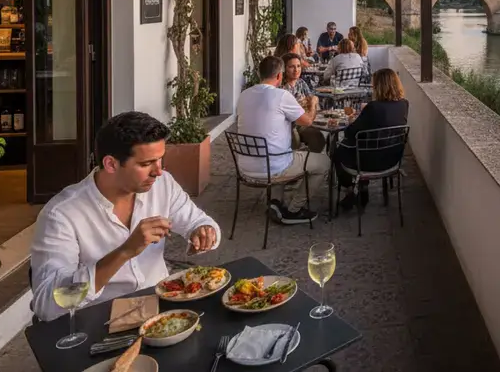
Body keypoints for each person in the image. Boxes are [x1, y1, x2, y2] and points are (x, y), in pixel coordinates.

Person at [30, 112, 221, 321]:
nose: (158, 171)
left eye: (160, 160)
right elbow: (46, 305)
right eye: (146, 164)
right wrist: (125, 252)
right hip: (99, 321)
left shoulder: (162, 184)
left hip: (161, 310)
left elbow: (197, 220)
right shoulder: (61, 215)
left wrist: (203, 231)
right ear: (111, 164)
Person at [236, 56, 328, 224]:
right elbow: (307, 120)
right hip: (272, 168)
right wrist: (314, 103)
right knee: (324, 162)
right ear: (280, 76)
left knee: (282, 152)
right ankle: (294, 210)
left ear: (259, 73)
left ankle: (275, 202)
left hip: (245, 167)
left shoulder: (244, 95)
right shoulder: (281, 95)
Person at [335, 69, 409, 210]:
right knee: (365, 144)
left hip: (368, 162)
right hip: (392, 158)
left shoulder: (373, 107)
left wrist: (353, 119)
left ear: (380, 86)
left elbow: (350, 133)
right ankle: (362, 187)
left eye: (374, 85)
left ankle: (351, 189)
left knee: (337, 151)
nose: (372, 87)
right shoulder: (404, 104)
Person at [281, 53, 327, 154]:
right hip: (287, 125)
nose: (296, 70)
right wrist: (308, 103)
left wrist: (313, 101)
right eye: (291, 67)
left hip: (303, 122)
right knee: (295, 142)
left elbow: (314, 98)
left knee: (319, 140)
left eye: (298, 66)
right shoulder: (281, 87)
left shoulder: (301, 83)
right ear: (284, 69)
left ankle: (307, 162)